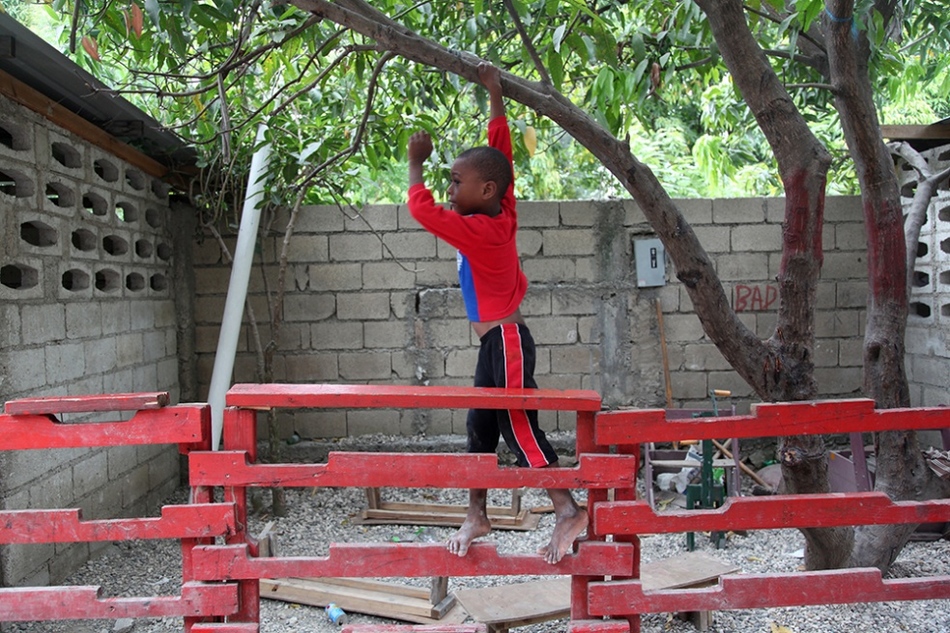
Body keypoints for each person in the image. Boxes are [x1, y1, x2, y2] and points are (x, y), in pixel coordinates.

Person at [406, 62, 588, 565]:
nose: (449, 190)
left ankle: (567, 508)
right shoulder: (501, 208)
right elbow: (501, 154)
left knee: (517, 423)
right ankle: (477, 514)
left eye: (454, 182)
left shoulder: (480, 229)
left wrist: (416, 163)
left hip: (506, 340)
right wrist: (495, 96)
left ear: (485, 191)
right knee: (480, 427)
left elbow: (420, 209)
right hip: (496, 342)